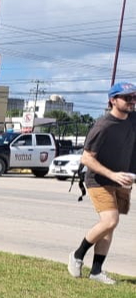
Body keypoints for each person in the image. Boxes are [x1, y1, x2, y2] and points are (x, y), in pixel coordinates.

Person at [66, 81, 136, 285]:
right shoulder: (103, 126)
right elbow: (86, 158)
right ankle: (77, 255)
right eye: (127, 98)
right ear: (113, 100)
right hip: (99, 180)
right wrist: (113, 175)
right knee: (110, 221)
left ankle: (96, 271)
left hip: (123, 180)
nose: (132, 101)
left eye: (134, 98)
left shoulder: (132, 119)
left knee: (109, 227)